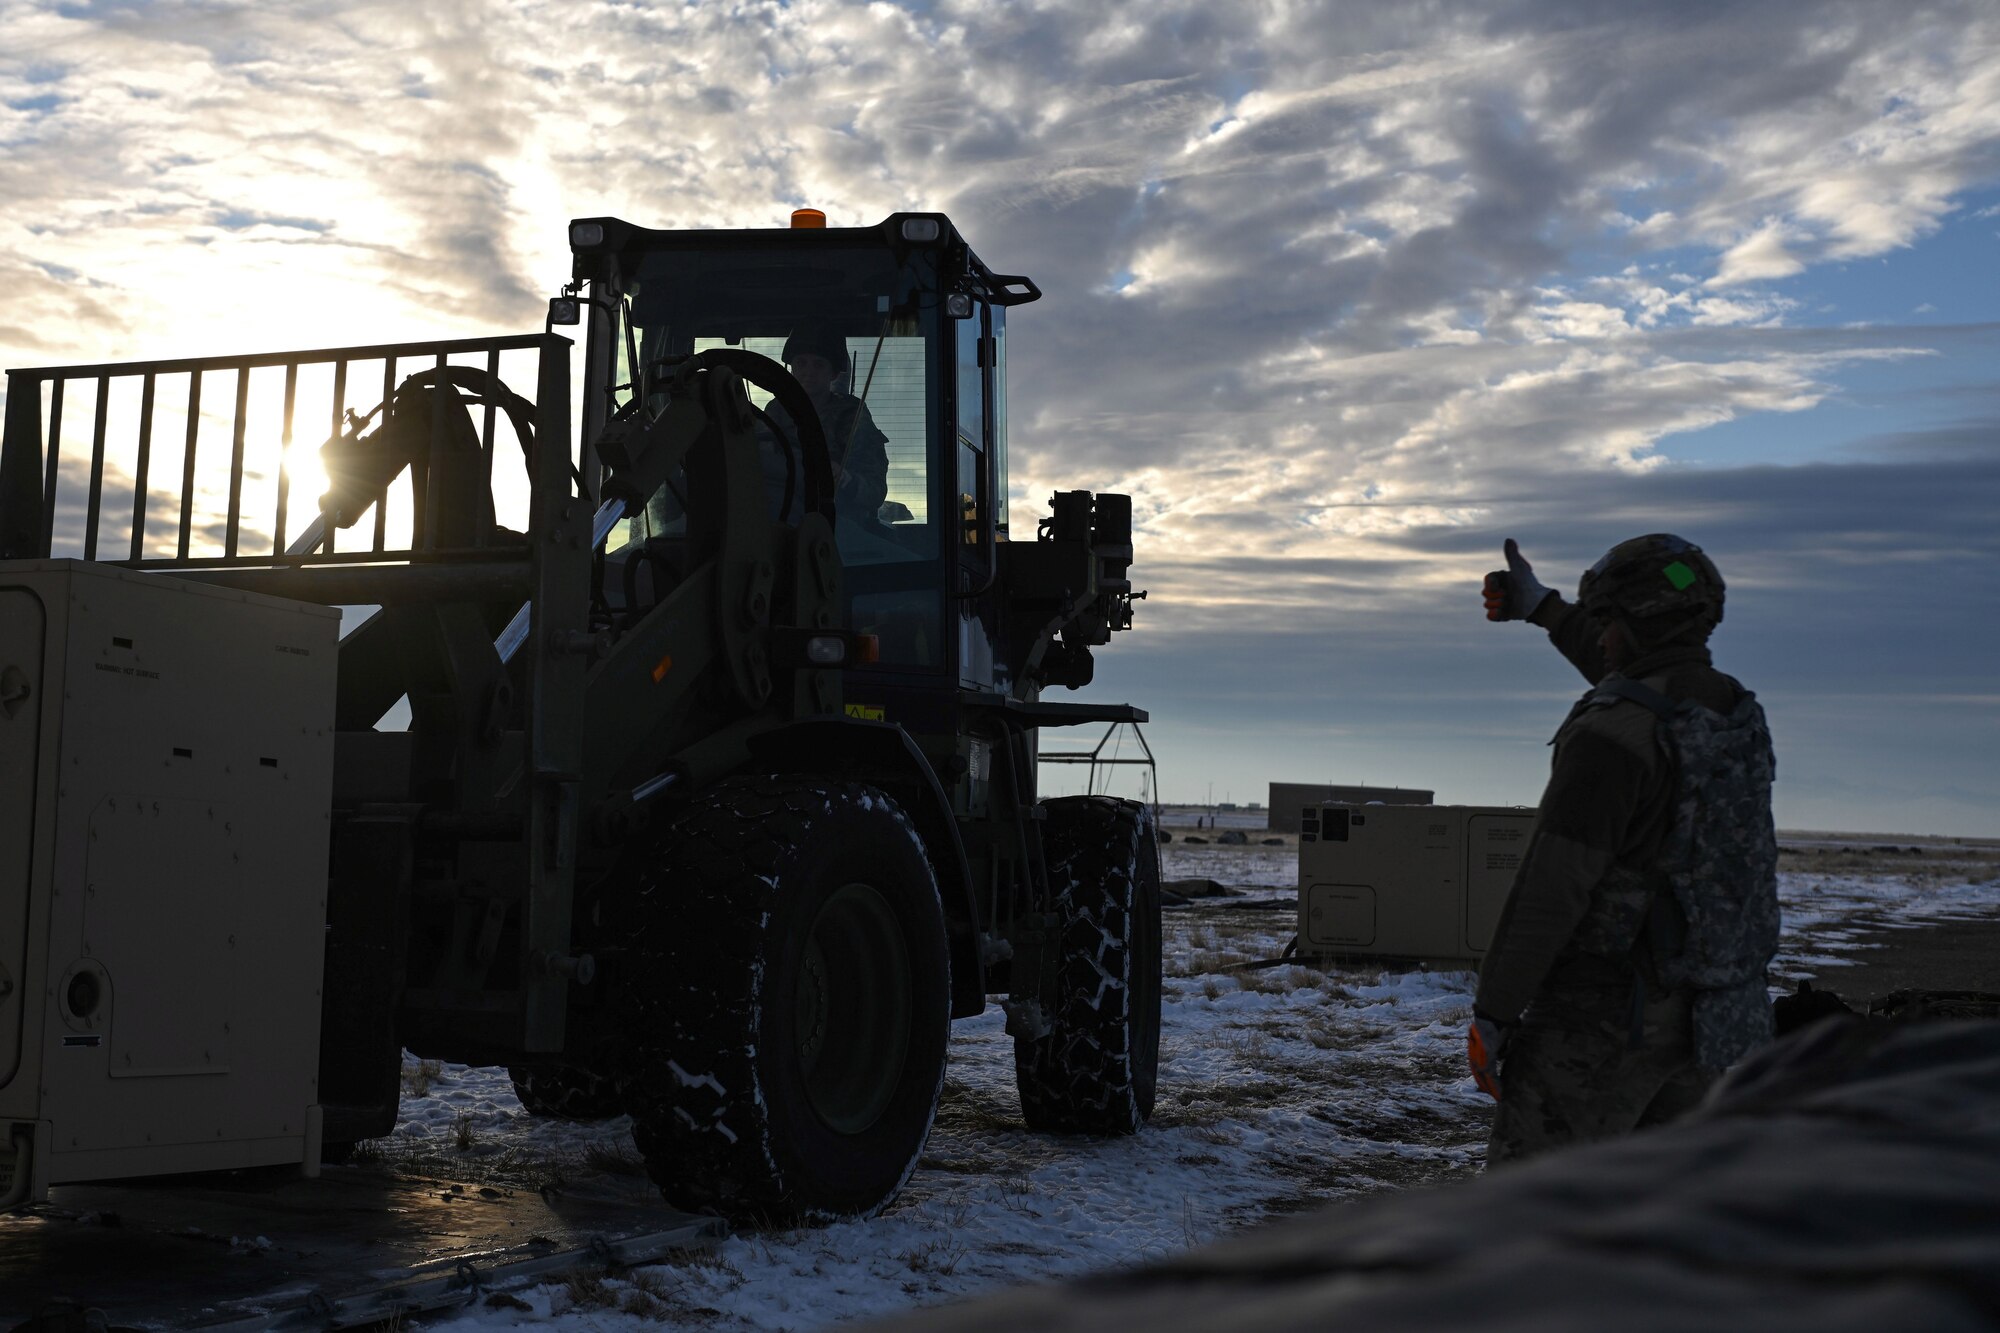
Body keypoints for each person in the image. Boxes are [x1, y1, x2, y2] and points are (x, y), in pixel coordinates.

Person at [1468, 534, 1779, 1166]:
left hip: (1604, 1025)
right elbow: (1643, 679)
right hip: (1721, 1024)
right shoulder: (1727, 711)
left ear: (1635, 625)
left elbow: (1551, 889)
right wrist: (1543, 608)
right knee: (1667, 1218)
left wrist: (1495, 1011)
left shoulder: (1611, 734)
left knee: (1532, 1217)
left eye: (1607, 620)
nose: (1600, 636)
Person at [763, 326, 890, 524]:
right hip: (781, 523)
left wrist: (845, 478)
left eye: (819, 365)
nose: (808, 372)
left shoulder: (852, 416)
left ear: (834, 373)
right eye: (801, 363)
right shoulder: (775, 411)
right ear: (791, 367)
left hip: (841, 529)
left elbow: (875, 492)